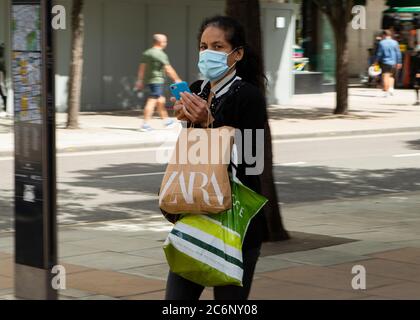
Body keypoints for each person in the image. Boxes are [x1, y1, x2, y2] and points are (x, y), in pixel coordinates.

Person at [165, 16, 267, 300]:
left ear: (238, 53)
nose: (208, 52)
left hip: (236, 224)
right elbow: (196, 157)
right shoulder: (198, 89)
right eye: (203, 46)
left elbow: (252, 160)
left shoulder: (248, 95)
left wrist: (210, 121)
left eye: (218, 46)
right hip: (196, 215)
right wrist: (189, 123)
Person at [136, 34, 182, 132]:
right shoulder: (160, 54)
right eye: (165, 41)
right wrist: (177, 79)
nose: (166, 43)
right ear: (160, 42)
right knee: (152, 100)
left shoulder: (147, 53)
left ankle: (166, 121)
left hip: (150, 81)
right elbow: (168, 69)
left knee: (160, 100)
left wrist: (140, 80)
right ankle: (145, 124)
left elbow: (142, 68)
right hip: (157, 81)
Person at [376, 30, 402, 97]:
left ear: (384, 35)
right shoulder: (395, 42)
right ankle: (391, 89)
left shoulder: (382, 43)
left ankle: (386, 92)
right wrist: (399, 62)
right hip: (394, 62)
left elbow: (379, 53)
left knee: (385, 76)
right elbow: (398, 53)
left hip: (385, 62)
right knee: (391, 76)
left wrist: (376, 61)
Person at [0, 43, 7, 117]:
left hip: (1, 74)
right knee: (3, 92)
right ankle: (4, 107)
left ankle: (4, 107)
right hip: (1, 75)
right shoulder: (2, 59)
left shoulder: (2, 59)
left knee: (3, 92)